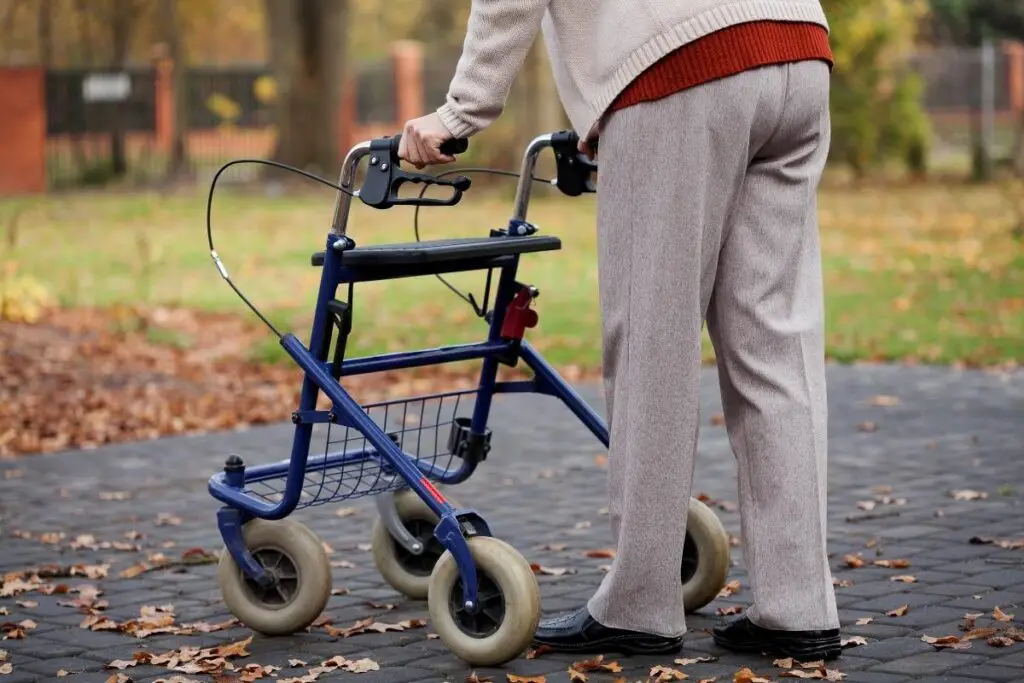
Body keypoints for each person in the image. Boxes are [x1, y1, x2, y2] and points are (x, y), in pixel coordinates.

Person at [399, 0, 842, 661]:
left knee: (653, 342)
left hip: (679, 66)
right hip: (796, 45)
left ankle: (639, 603)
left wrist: (460, 113)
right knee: (775, 341)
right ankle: (798, 605)